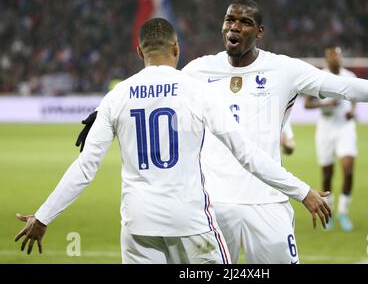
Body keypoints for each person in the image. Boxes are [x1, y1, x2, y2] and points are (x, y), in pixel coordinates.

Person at [75, 0, 368, 264]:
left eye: (244, 22)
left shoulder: (285, 70)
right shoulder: (199, 69)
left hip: (268, 202)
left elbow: (341, 87)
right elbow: (147, 88)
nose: (234, 27)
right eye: (229, 20)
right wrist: (98, 113)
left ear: (259, 32)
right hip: (214, 207)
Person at [14, 18, 331, 264]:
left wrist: (43, 217)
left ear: (139, 51)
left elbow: (85, 168)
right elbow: (246, 153)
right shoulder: (197, 90)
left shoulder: (116, 96)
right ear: (177, 49)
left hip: (137, 226)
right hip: (190, 224)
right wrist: (302, 192)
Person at [304, 46, 357, 231]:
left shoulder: (350, 77)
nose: (335, 59)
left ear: (341, 58)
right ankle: (330, 211)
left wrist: (352, 111)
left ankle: (343, 212)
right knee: (327, 174)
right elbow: (307, 104)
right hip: (326, 128)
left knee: (348, 169)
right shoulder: (318, 77)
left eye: (337, 56)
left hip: (345, 127)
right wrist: (326, 103)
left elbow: (356, 98)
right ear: (326, 59)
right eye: (331, 56)